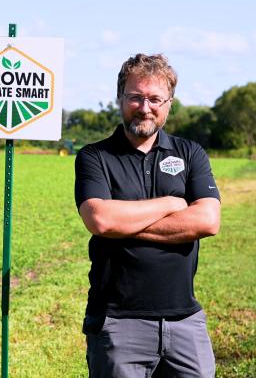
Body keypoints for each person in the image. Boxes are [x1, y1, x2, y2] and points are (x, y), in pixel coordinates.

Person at [74, 53, 221, 377]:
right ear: (120, 98)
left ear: (168, 103)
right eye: (135, 97)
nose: (144, 107)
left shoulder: (190, 153)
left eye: (155, 98)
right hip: (117, 322)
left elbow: (208, 221)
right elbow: (101, 220)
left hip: (186, 321)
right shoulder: (95, 156)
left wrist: (123, 223)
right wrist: (172, 203)